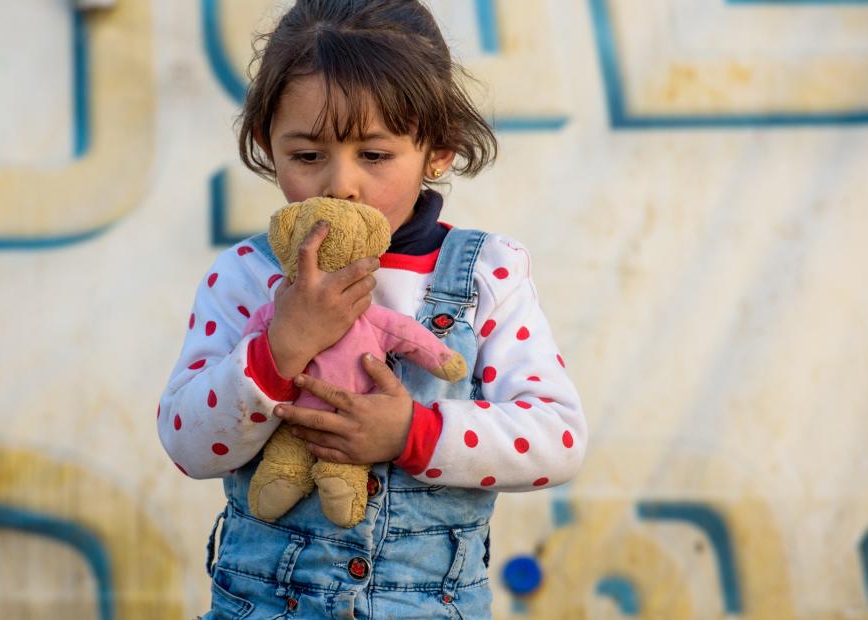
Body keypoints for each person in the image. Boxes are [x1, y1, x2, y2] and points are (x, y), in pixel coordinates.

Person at [158, 1, 586, 617]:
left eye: (375, 155)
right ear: (266, 145)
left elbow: (558, 438)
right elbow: (188, 444)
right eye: (307, 156)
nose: (341, 184)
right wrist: (278, 350)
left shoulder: (489, 272)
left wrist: (413, 432)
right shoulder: (246, 276)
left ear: (439, 149)